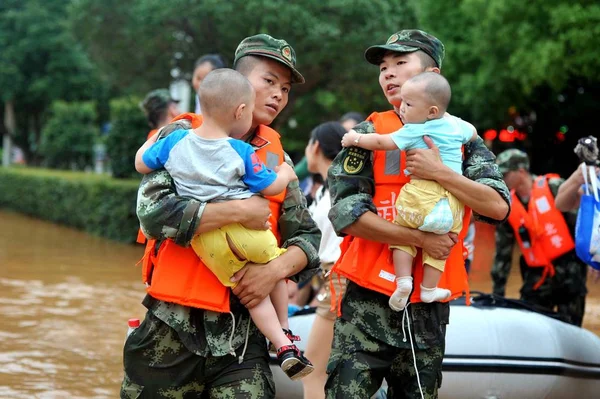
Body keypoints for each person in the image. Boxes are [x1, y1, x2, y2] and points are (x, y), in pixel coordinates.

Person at [121, 34, 321, 398]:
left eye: (286, 88)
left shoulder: (279, 162)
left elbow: (308, 238)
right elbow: (152, 213)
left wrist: (273, 271)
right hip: (170, 332)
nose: (278, 94)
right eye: (269, 81)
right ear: (241, 84)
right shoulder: (183, 137)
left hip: (242, 341)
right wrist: (239, 210)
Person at [325, 29, 510, 398]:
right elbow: (346, 215)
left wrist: (440, 172)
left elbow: (497, 207)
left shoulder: (462, 138)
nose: (388, 73)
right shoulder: (367, 134)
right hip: (366, 302)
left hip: (429, 309)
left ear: (433, 75)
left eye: (400, 63)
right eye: (383, 67)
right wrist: (419, 239)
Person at [341, 72, 477, 311]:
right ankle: (428, 288)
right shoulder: (456, 125)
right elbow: (473, 132)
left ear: (431, 112)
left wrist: (356, 138)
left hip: (420, 197)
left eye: (409, 104)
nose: (402, 108)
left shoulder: (415, 130)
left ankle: (403, 281)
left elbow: (382, 143)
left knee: (403, 234)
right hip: (451, 204)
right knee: (443, 245)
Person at [492, 149, 588, 326]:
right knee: (534, 326)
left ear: (521, 171)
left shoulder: (553, 186)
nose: (502, 179)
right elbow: (502, 251)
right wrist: (497, 294)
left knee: (571, 327)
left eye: (505, 174)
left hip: (569, 270)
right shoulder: (506, 204)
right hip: (536, 277)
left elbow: (581, 226)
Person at [300, 121, 347, 399]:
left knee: (312, 371)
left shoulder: (338, 188)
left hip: (339, 281)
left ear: (315, 146)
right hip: (334, 279)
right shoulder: (329, 188)